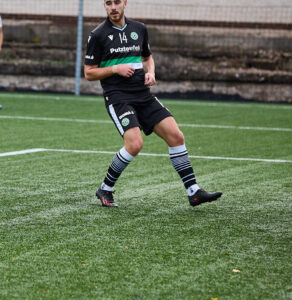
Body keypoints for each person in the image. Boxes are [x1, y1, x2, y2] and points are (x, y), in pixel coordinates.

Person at [84, 0, 222, 207]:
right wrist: (115, 69)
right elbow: (89, 73)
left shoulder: (139, 29)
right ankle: (105, 188)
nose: (113, 7)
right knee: (135, 144)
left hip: (143, 94)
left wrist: (151, 72)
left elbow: (148, 58)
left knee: (176, 136)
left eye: (117, 2)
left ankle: (194, 191)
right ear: (104, 6)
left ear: (125, 3)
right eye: (108, 3)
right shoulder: (98, 35)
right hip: (118, 96)